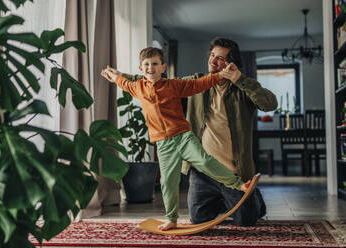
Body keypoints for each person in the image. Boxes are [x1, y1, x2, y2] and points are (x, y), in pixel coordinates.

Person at [101, 47, 252, 231]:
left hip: (183, 137)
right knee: (168, 181)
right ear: (141, 69)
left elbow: (200, 84)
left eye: (155, 64)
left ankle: (239, 184)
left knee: (204, 161)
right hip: (163, 144)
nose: (151, 68)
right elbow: (124, 82)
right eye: (147, 65)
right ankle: (171, 218)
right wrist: (115, 75)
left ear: (163, 66)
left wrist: (220, 75)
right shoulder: (137, 87)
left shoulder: (173, 85)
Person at [183, 37, 278, 226]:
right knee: (198, 219)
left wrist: (240, 79)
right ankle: (221, 200)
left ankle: (253, 198)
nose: (212, 60)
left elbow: (270, 104)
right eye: (212, 55)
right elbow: (166, 86)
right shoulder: (196, 83)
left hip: (235, 173)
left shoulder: (242, 88)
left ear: (230, 63)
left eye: (219, 58)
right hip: (203, 172)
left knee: (246, 220)